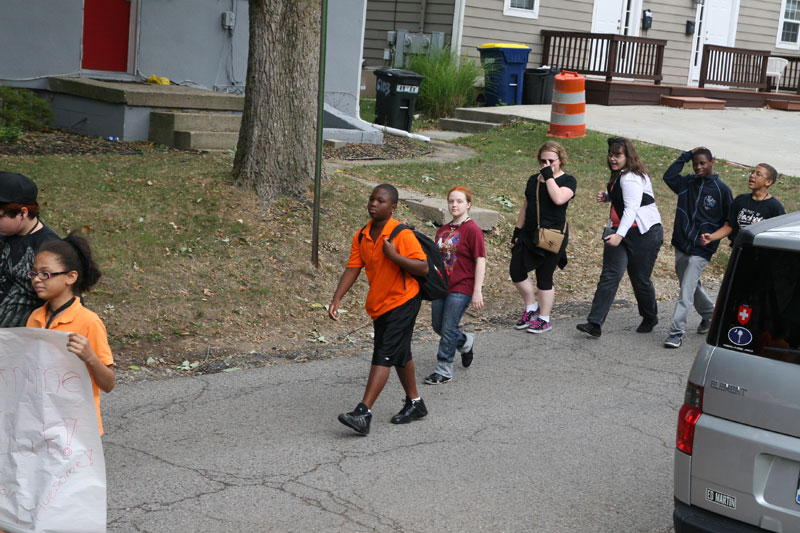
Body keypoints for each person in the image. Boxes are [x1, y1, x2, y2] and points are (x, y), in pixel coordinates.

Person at [329, 184, 429, 435]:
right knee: (400, 353)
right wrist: (337, 297)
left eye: (380, 201)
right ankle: (415, 403)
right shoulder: (362, 235)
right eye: (372, 199)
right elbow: (353, 267)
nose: (373, 204)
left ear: (392, 207)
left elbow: (423, 267)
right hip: (380, 303)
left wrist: (394, 255)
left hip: (404, 300)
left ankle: (363, 412)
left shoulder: (401, 234)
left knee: (384, 352)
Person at [26, 231, 115, 435]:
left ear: (70, 277)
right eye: (34, 273)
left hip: (78, 428)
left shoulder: (88, 321)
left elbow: (108, 384)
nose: (37, 280)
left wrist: (90, 357)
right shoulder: (35, 318)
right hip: (41, 424)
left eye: (45, 274)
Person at [577, 137, 663, 338]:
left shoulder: (631, 177)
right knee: (610, 276)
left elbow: (632, 208)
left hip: (644, 234)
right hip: (619, 232)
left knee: (640, 278)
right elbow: (623, 198)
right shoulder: (620, 176)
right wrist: (607, 196)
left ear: (628, 156)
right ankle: (594, 323)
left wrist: (619, 235)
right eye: (611, 155)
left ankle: (650, 316)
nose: (613, 159)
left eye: (618, 155)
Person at [662, 147, 732, 349]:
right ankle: (710, 314)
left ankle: (676, 332)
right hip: (682, 242)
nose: (698, 167)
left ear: (711, 163)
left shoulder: (722, 190)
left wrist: (714, 239)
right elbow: (668, 176)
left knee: (686, 291)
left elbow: (729, 221)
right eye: (695, 164)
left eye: (702, 163)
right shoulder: (687, 183)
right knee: (689, 283)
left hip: (702, 248)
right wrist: (685, 155)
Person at [510, 140, 576, 333]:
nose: (546, 165)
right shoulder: (533, 180)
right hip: (529, 233)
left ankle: (544, 318)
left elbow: (558, 198)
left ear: (560, 160)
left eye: (551, 161)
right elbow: (526, 207)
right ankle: (531, 307)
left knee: (544, 276)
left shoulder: (568, 180)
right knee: (516, 270)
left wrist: (549, 177)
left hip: (552, 235)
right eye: (543, 161)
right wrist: (517, 231)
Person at [424, 186, 486, 385]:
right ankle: (465, 342)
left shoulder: (472, 230)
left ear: (468, 204)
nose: (454, 205)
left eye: (459, 201)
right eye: (451, 201)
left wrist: (477, 291)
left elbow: (480, 260)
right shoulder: (442, 230)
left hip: (463, 286)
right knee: (438, 326)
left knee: (449, 327)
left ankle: (444, 369)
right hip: (442, 286)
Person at [0, 171, 60, 327]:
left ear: (23, 213)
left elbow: (66, 304)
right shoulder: (5, 232)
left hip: (19, 341)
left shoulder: (49, 249)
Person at [700, 163, 785, 246]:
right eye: (752, 172)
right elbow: (729, 226)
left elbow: (780, 234)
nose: (752, 175)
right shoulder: (740, 200)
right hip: (739, 250)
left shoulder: (774, 206)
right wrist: (711, 237)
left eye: (758, 174)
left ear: (768, 182)